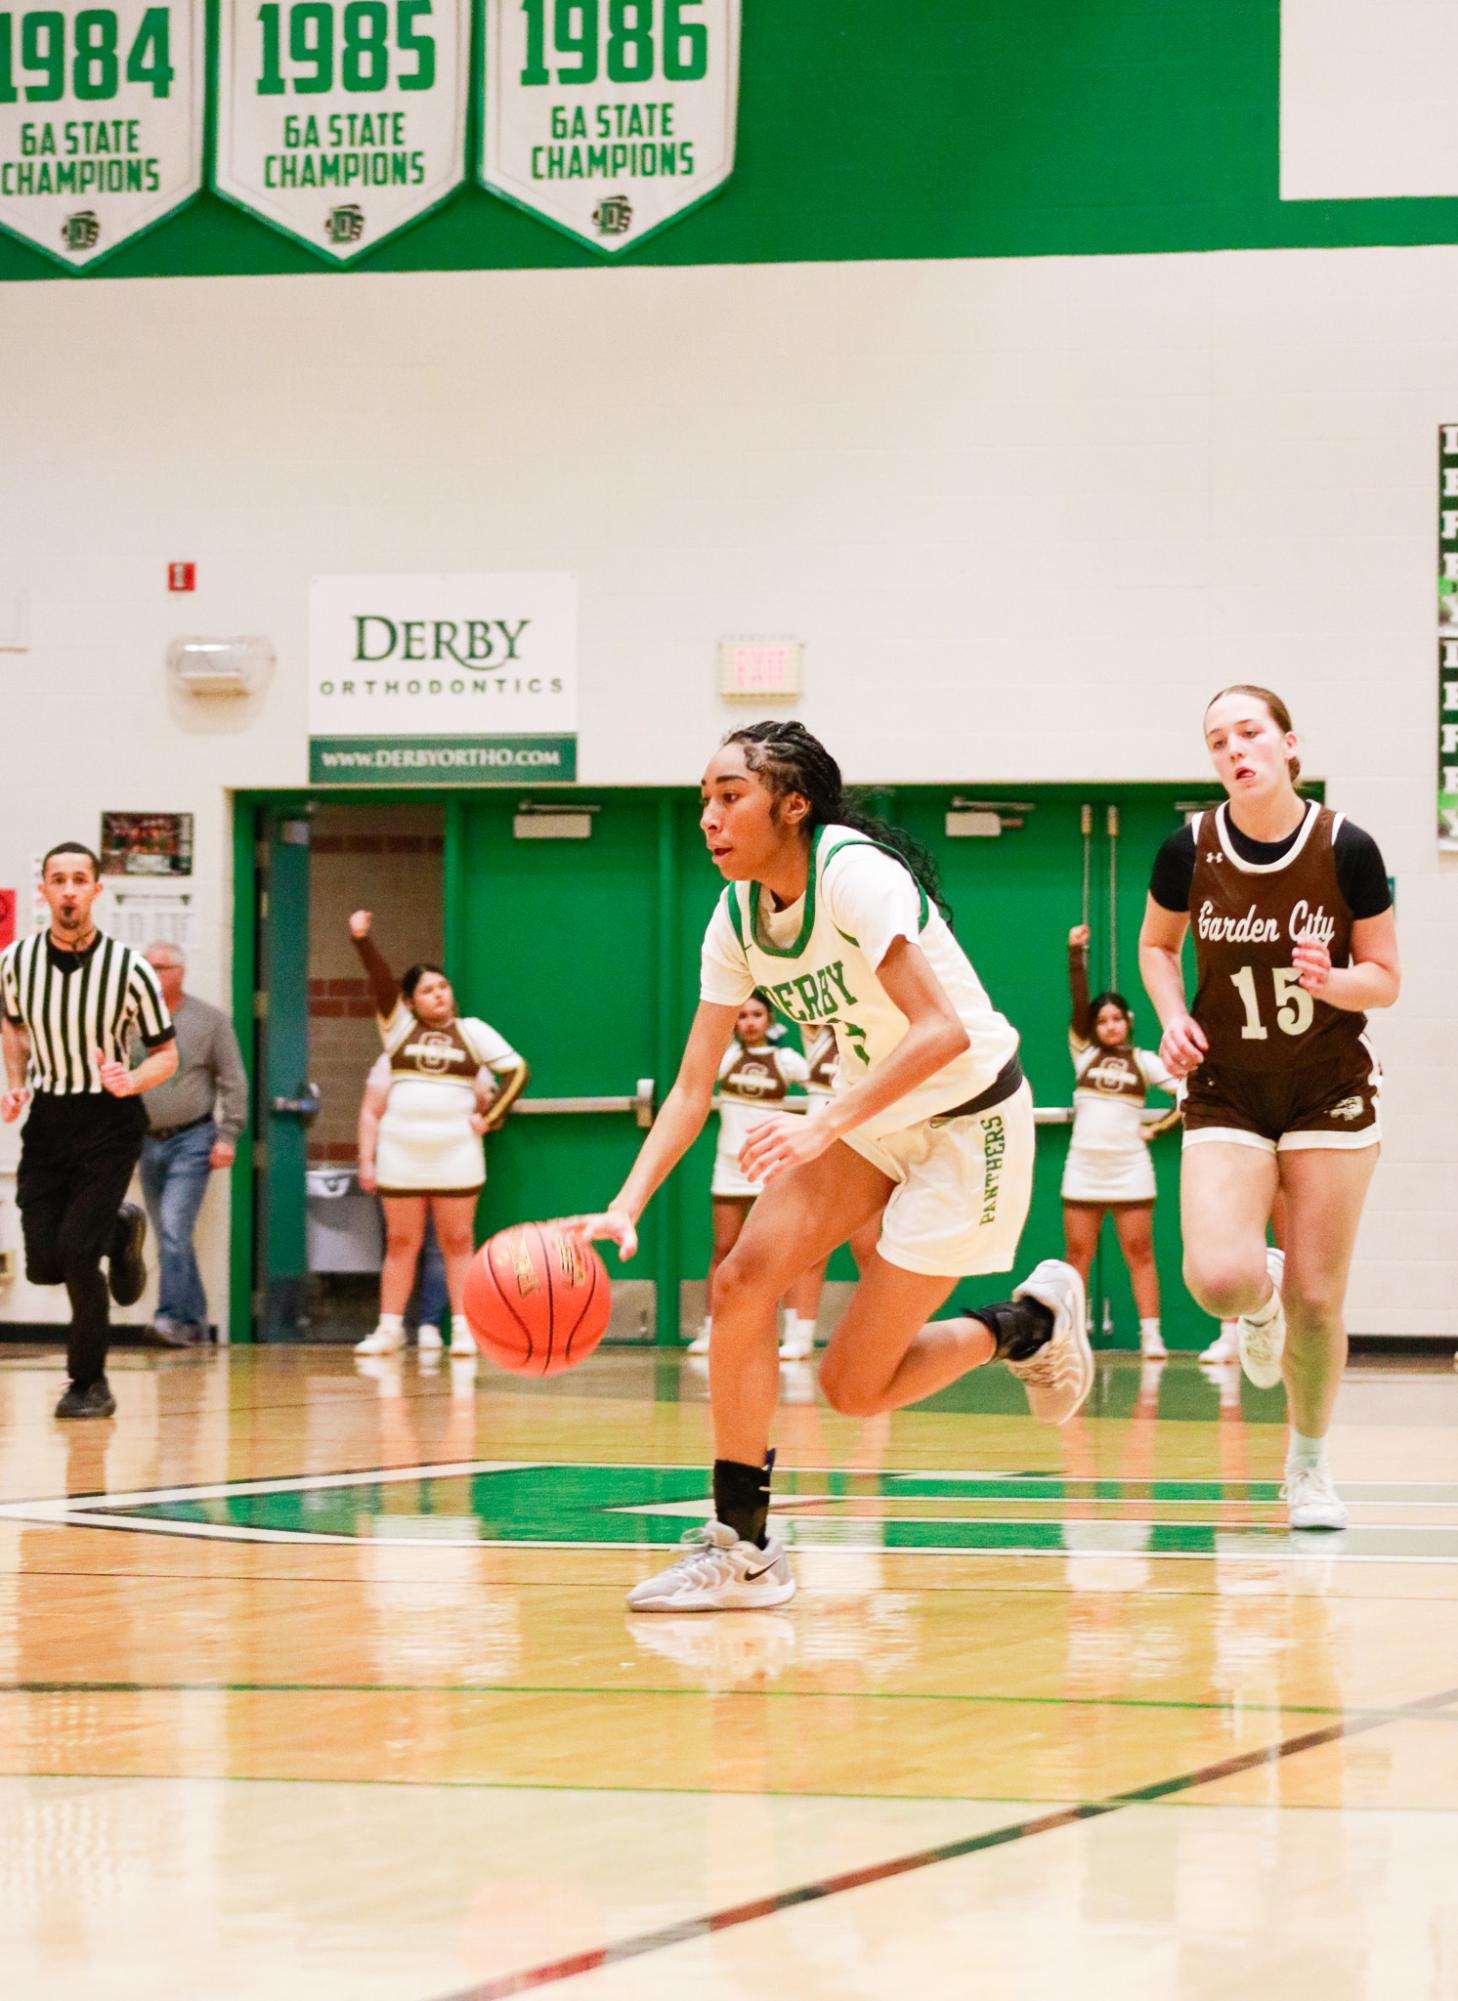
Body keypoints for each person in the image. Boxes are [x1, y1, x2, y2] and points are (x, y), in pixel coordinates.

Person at [570, 720, 1091, 1612]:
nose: (709, 816)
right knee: (739, 1283)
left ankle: (1028, 1325)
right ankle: (745, 1545)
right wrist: (626, 1204)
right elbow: (693, 1088)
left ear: (794, 804)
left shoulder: (852, 873)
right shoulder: (736, 916)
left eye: (730, 795)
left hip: (970, 1119)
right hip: (873, 1110)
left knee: (853, 1389)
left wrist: (824, 1123)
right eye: (703, 800)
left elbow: (943, 1030)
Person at [1138, 686, 1399, 1531]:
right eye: (1217, 740)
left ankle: (1310, 1464)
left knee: (1320, 1303)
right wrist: (1174, 1017)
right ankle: (1260, 1293)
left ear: (1290, 744)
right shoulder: (1189, 848)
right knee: (1217, 1280)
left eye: (1249, 732)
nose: (1234, 750)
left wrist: (1336, 980)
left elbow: (1386, 978)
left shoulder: (1347, 845)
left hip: (1328, 1083)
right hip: (1230, 1087)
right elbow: (1155, 944)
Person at [0, 843, 177, 1418]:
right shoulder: (15, 962)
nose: (70, 890)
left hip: (109, 1118)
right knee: (43, 1264)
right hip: (48, 1119)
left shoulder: (130, 969)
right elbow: (13, 1026)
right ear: (44, 891)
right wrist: (16, 1081)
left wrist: (131, 1080)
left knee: (77, 1255)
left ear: (97, 891)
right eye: (59, 880)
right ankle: (121, 1230)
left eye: (80, 879)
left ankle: (89, 1383)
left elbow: (165, 1055)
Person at [348, 911, 528, 1358]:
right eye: (427, 990)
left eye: (443, 986)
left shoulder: (473, 1032)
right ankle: (390, 1329)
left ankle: (464, 1329)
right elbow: (380, 980)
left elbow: (518, 1071)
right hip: (401, 1153)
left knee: (458, 1242)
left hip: (456, 1153)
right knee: (400, 1242)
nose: (439, 995)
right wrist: (362, 941)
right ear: (409, 1002)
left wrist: (490, 1118)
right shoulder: (398, 1029)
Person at [1061, 924, 1179, 1359]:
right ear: (1092, 1026)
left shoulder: (1146, 1061)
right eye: (1101, 1019)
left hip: (1130, 1167)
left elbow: (1187, 1096)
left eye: (1116, 1018)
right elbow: (1077, 1000)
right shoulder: (1084, 1054)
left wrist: (1157, 1128)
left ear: (1128, 1022)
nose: (1109, 1025)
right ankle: (1069, 1337)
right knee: (1077, 1254)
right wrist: (1077, 955)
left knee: (1140, 1253)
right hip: (1084, 1166)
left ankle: (1152, 1337)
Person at [138, 941, 249, 1346]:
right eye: (145, 966)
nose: (151, 973)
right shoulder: (130, 1019)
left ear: (179, 973)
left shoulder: (208, 1020)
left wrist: (229, 1135)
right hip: (144, 1141)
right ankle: (194, 1323)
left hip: (192, 1138)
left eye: (160, 967)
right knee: (170, 1233)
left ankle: (170, 1318)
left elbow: (233, 1080)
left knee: (172, 1227)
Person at [687, 992, 810, 1357]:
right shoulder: (726, 1059)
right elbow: (695, 1075)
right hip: (729, 1165)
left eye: (757, 1014)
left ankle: (795, 1334)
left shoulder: (787, 1060)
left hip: (772, 1164)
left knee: (782, 1252)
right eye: (742, 1016)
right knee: (723, 1250)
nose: (750, 1022)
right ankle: (713, 1329)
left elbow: (823, 1089)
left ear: (770, 1019)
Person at [778, 1025, 882, 1361]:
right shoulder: (815, 1035)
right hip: (815, 1154)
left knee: (867, 1248)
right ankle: (800, 1336)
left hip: (864, 1150)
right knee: (809, 1249)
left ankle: (878, 1336)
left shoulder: (869, 1034)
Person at [359, 1051, 449, 1349]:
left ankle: (429, 1324)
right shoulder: (392, 1057)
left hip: (449, 1158)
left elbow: (484, 1101)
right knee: (400, 1243)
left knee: (443, 1245)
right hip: (400, 1161)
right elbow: (371, 1111)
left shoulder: (465, 1050)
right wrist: (366, 1161)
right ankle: (393, 1325)